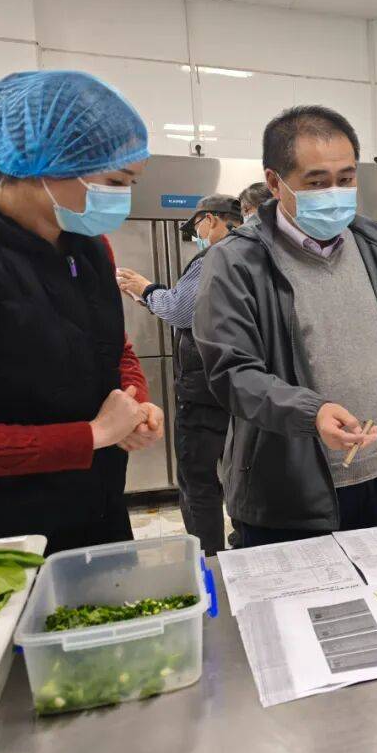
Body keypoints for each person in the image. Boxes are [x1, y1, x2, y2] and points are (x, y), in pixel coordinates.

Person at [194, 106, 377, 548]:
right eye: (317, 182)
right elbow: (232, 373)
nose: (335, 193)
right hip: (288, 493)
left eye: (346, 179)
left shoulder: (372, 244)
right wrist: (312, 413)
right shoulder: (236, 261)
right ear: (275, 183)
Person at [0, 70, 165, 554]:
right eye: (114, 181)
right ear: (42, 165)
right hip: (15, 535)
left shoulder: (91, 247)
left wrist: (135, 404)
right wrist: (91, 435)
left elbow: (113, 347)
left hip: (99, 507)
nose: (123, 197)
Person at [115, 194, 242, 556]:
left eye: (197, 227)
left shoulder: (213, 257)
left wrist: (147, 290)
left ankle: (208, 559)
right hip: (243, 385)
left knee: (197, 479)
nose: (196, 236)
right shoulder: (254, 253)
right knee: (241, 471)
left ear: (211, 220)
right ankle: (244, 544)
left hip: (205, 389)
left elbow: (181, 312)